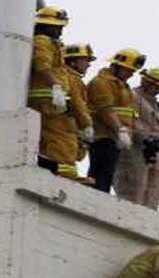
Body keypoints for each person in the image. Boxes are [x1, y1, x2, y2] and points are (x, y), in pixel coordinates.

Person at [28, 6, 82, 182]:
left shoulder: (51, 43)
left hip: (50, 97)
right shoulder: (43, 41)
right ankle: (64, 174)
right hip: (46, 98)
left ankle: (56, 171)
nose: (60, 30)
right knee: (61, 136)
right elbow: (42, 65)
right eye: (57, 26)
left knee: (51, 138)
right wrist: (56, 87)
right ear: (47, 25)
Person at [114, 66, 159, 209]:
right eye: (157, 86)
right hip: (134, 145)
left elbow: (156, 125)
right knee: (134, 179)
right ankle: (129, 209)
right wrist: (145, 136)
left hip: (152, 146)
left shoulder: (154, 103)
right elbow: (128, 120)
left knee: (157, 176)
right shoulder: (131, 96)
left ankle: (148, 212)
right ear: (146, 81)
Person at [88, 48, 145, 193]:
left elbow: (128, 114)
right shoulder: (102, 82)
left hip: (114, 136)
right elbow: (105, 109)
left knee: (108, 173)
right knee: (100, 172)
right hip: (102, 135)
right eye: (128, 70)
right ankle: (96, 196)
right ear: (116, 66)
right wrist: (120, 128)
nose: (131, 74)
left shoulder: (122, 86)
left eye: (133, 71)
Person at [62, 43, 97, 182]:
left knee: (70, 150)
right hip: (64, 123)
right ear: (72, 61)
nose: (88, 65)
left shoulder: (72, 78)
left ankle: (70, 176)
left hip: (69, 123)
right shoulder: (72, 79)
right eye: (86, 60)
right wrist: (86, 124)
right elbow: (78, 104)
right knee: (65, 150)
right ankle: (67, 178)